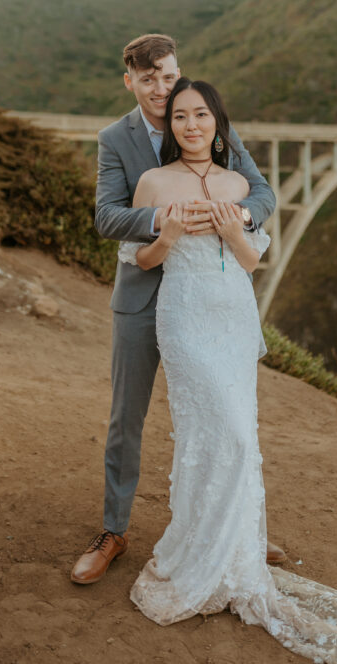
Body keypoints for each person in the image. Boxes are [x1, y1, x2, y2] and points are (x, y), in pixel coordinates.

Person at [118, 77, 337, 662]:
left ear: (218, 122)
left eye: (202, 115)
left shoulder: (240, 183)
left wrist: (229, 228)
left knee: (237, 436)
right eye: (181, 116)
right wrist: (164, 235)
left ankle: (233, 557)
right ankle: (198, 559)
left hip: (234, 318)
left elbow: (251, 262)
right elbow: (138, 259)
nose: (192, 125)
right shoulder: (152, 182)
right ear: (170, 125)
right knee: (224, 438)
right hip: (185, 318)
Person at [71, 34, 282, 585]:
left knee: (226, 414)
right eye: (149, 80)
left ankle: (232, 524)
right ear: (131, 83)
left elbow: (263, 195)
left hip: (211, 303)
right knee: (128, 417)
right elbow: (107, 217)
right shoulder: (115, 139)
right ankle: (113, 531)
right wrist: (164, 221)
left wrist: (233, 215)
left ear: (178, 71)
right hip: (145, 293)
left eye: (167, 76)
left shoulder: (211, 125)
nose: (161, 90)